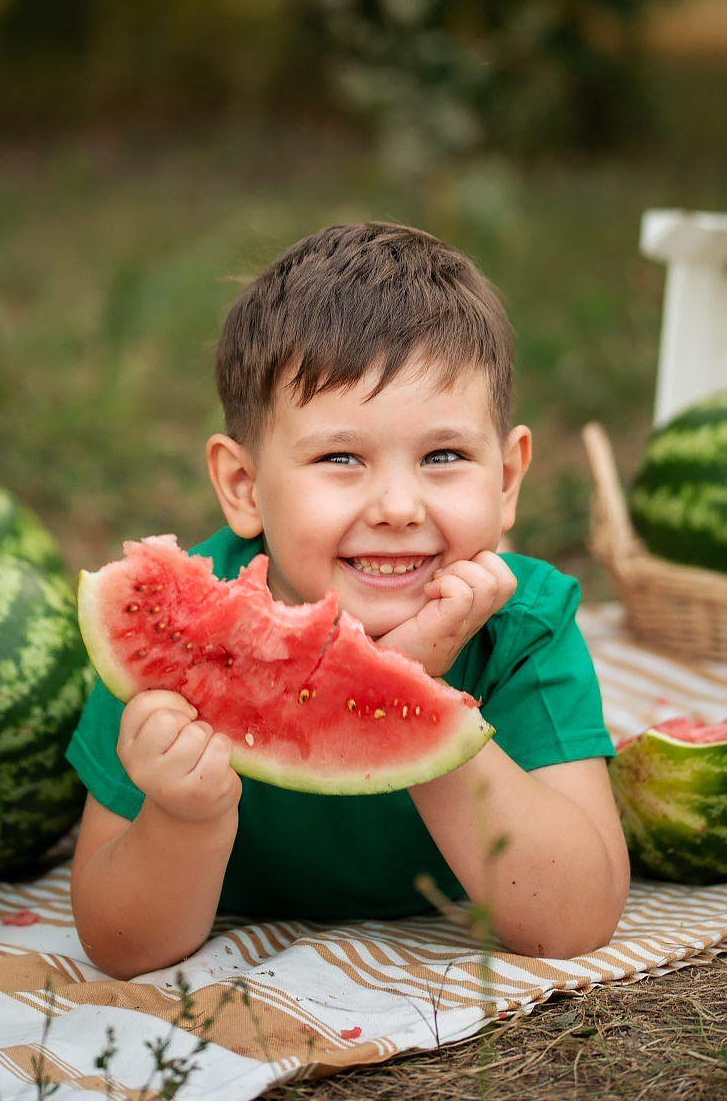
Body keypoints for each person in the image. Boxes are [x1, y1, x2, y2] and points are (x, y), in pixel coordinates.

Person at [67, 222, 630, 979]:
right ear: (244, 486)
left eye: (443, 457)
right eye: (341, 458)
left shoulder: (524, 626)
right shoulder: (183, 641)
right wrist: (182, 817)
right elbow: (118, 944)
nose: (398, 505)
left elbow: (574, 919)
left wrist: (413, 701)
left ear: (506, 479)